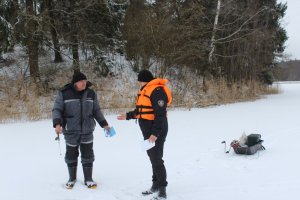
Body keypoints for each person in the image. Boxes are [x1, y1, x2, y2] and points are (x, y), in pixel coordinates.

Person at [117, 69, 172, 200]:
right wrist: (128, 116)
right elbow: (141, 110)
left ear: (144, 81)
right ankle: (155, 185)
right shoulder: (145, 90)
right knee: (152, 157)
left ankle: (162, 190)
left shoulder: (157, 91)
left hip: (156, 130)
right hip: (147, 130)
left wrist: (155, 133)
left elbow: (160, 115)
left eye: (139, 81)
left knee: (156, 159)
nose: (138, 84)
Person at [52, 72, 110, 189]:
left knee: (88, 154)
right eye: (81, 81)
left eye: (85, 80)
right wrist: (57, 124)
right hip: (70, 129)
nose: (84, 83)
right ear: (75, 83)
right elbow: (57, 109)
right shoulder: (64, 93)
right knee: (71, 154)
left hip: (87, 129)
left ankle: (89, 179)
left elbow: (96, 110)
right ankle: (71, 179)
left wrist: (104, 124)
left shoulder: (91, 94)